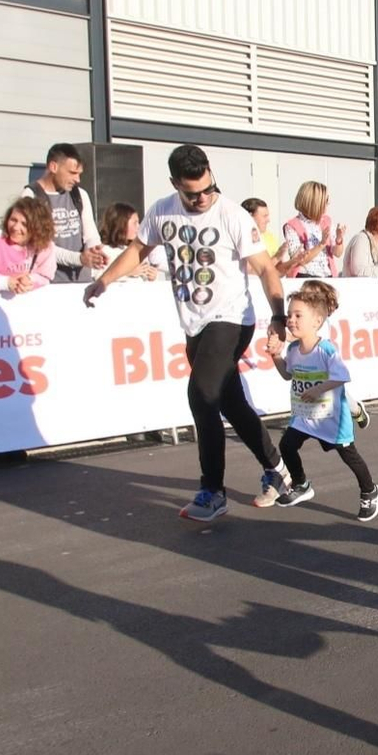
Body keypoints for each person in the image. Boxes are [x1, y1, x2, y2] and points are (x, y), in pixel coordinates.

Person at [84, 144, 290, 522]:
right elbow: (138, 249)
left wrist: (278, 314)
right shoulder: (162, 210)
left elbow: (265, 268)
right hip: (194, 323)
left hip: (231, 320)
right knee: (229, 402)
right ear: (174, 184)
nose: (202, 198)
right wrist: (104, 280)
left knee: (201, 395)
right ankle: (278, 468)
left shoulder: (232, 215)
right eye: (193, 193)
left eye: (208, 188)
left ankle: (212, 491)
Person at [257, 279, 378, 521]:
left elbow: (342, 376)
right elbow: (287, 374)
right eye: (289, 315)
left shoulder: (326, 350)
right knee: (287, 446)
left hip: (331, 418)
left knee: (349, 455)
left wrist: (318, 390)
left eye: (298, 315)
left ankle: (370, 490)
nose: (291, 320)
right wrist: (275, 356)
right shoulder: (293, 350)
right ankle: (301, 484)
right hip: (304, 416)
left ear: (316, 321)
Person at [21, 142, 106, 284]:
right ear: (53, 167)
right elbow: (42, 248)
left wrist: (95, 251)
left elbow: (90, 235)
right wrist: (79, 259)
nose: (77, 180)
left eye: (79, 174)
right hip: (50, 284)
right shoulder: (31, 196)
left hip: (82, 282)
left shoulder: (80, 194)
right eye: (72, 173)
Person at [281, 181, 346, 278]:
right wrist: (321, 244)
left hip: (327, 275)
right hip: (304, 276)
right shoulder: (292, 226)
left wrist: (339, 239)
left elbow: (337, 253)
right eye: (325, 200)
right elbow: (299, 259)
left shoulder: (326, 221)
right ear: (314, 203)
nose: (328, 203)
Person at [99, 203, 161, 280]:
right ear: (121, 224)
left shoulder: (137, 251)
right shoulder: (105, 252)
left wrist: (151, 277)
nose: (139, 227)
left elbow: (143, 277)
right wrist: (126, 273)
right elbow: (99, 277)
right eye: (135, 223)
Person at [240, 198, 286, 268]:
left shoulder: (270, 237)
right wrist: (276, 258)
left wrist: (296, 261)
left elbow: (278, 268)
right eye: (264, 216)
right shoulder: (240, 238)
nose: (268, 220)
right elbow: (251, 270)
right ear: (250, 217)